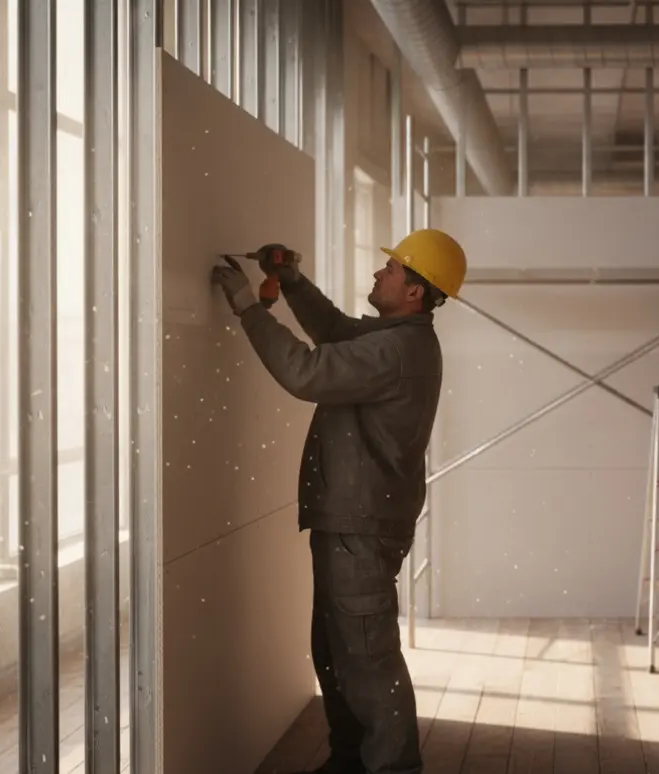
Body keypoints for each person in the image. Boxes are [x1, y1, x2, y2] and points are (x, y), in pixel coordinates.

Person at [211, 228, 468, 774]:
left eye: (393, 270)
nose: (380, 273)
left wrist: (246, 309)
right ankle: (351, 759)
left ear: (416, 291)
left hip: (361, 525)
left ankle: (393, 768)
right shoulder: (394, 338)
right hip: (354, 519)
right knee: (337, 650)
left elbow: (304, 372)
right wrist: (293, 283)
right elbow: (333, 330)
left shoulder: (394, 350)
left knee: (368, 660)